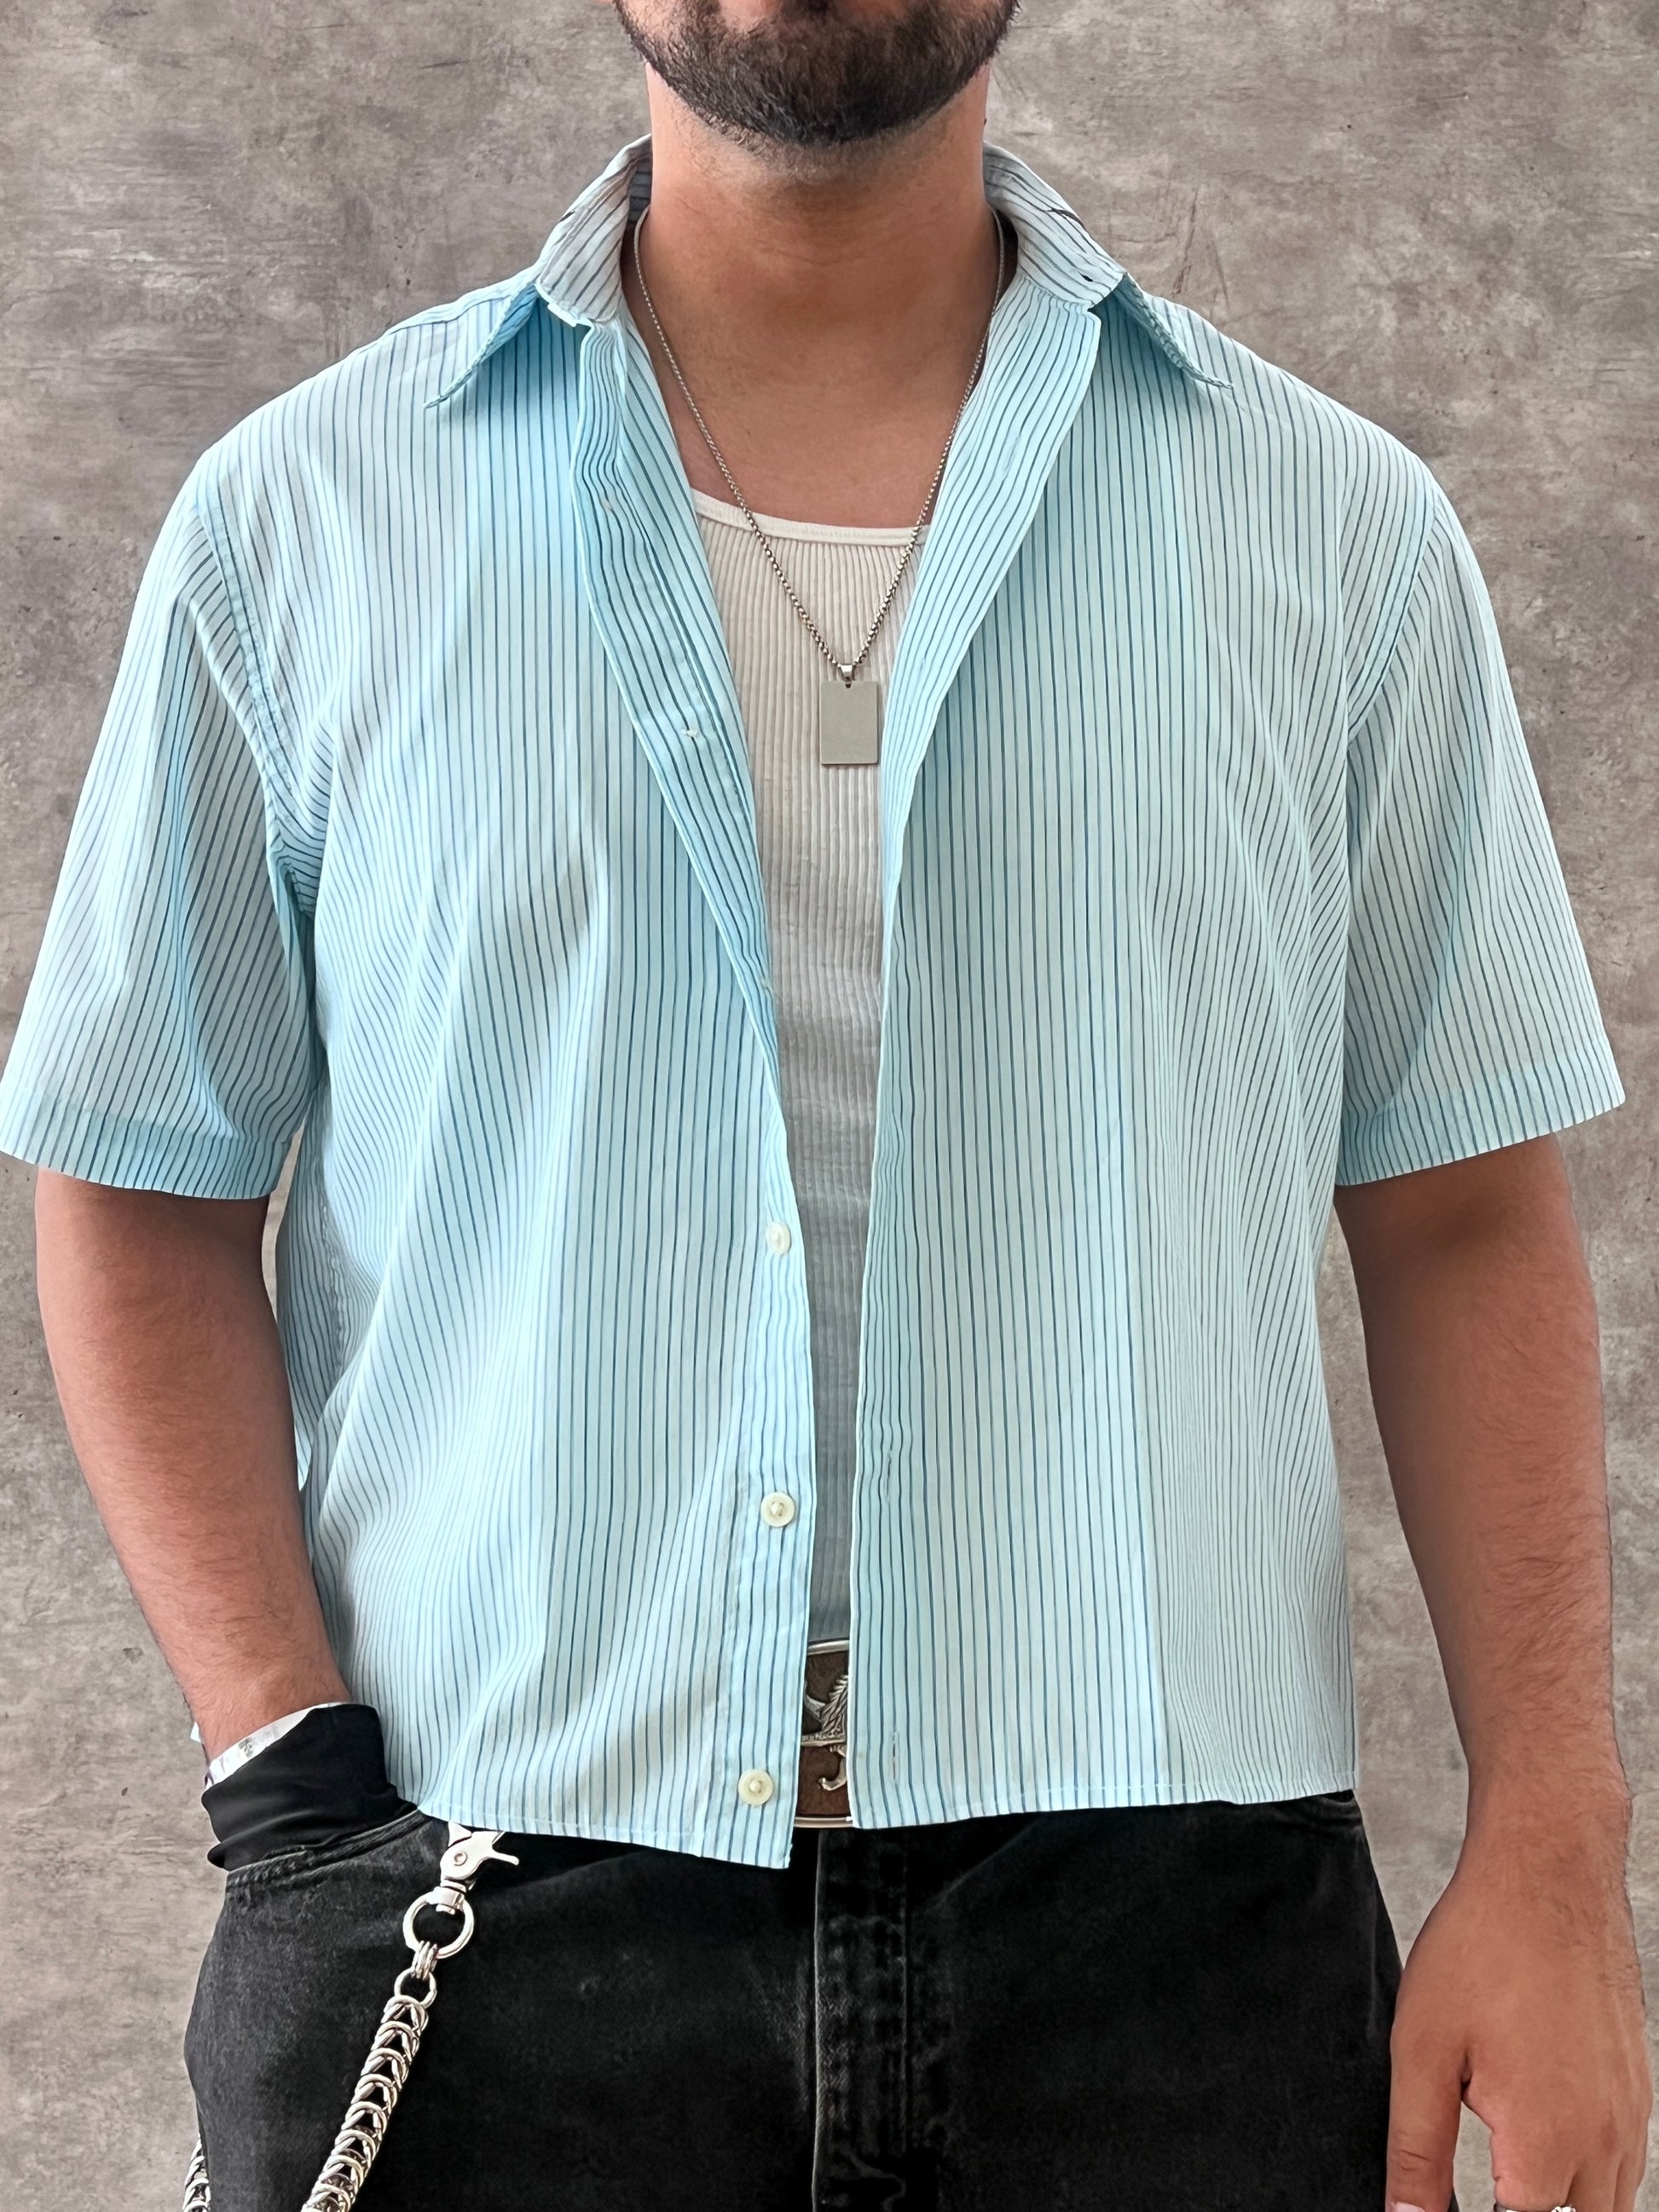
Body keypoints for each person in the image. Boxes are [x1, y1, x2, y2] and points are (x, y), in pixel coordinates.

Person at [0, 0, 1648, 2207]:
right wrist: (289, 1787)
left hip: (1179, 1953)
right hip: (483, 1924)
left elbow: (1461, 1216)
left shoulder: (1333, 534)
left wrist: (1552, 1846)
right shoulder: (303, 522)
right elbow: (137, 1185)